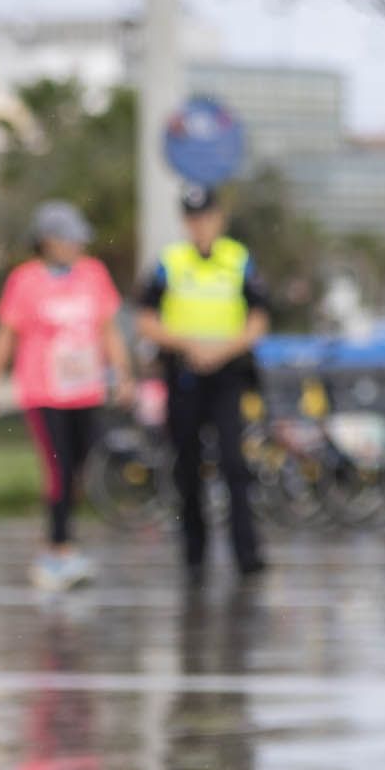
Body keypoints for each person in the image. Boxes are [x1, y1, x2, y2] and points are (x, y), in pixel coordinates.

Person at [0, 201, 135, 593]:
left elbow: (109, 329)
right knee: (58, 471)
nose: (77, 245)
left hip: (86, 391)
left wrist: (123, 373)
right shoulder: (25, 281)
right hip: (44, 393)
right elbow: (4, 334)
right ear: (48, 241)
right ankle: (58, 549)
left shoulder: (93, 274)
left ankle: (60, 540)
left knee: (79, 471)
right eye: (69, 238)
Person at [135, 184, 269, 580]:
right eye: (193, 219)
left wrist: (224, 349)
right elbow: (145, 318)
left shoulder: (237, 258)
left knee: (234, 462)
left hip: (227, 373)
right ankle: (195, 554)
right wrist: (187, 345)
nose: (200, 225)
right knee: (187, 464)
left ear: (218, 219)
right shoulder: (170, 262)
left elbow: (259, 317)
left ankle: (247, 552)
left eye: (206, 217)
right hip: (185, 373)